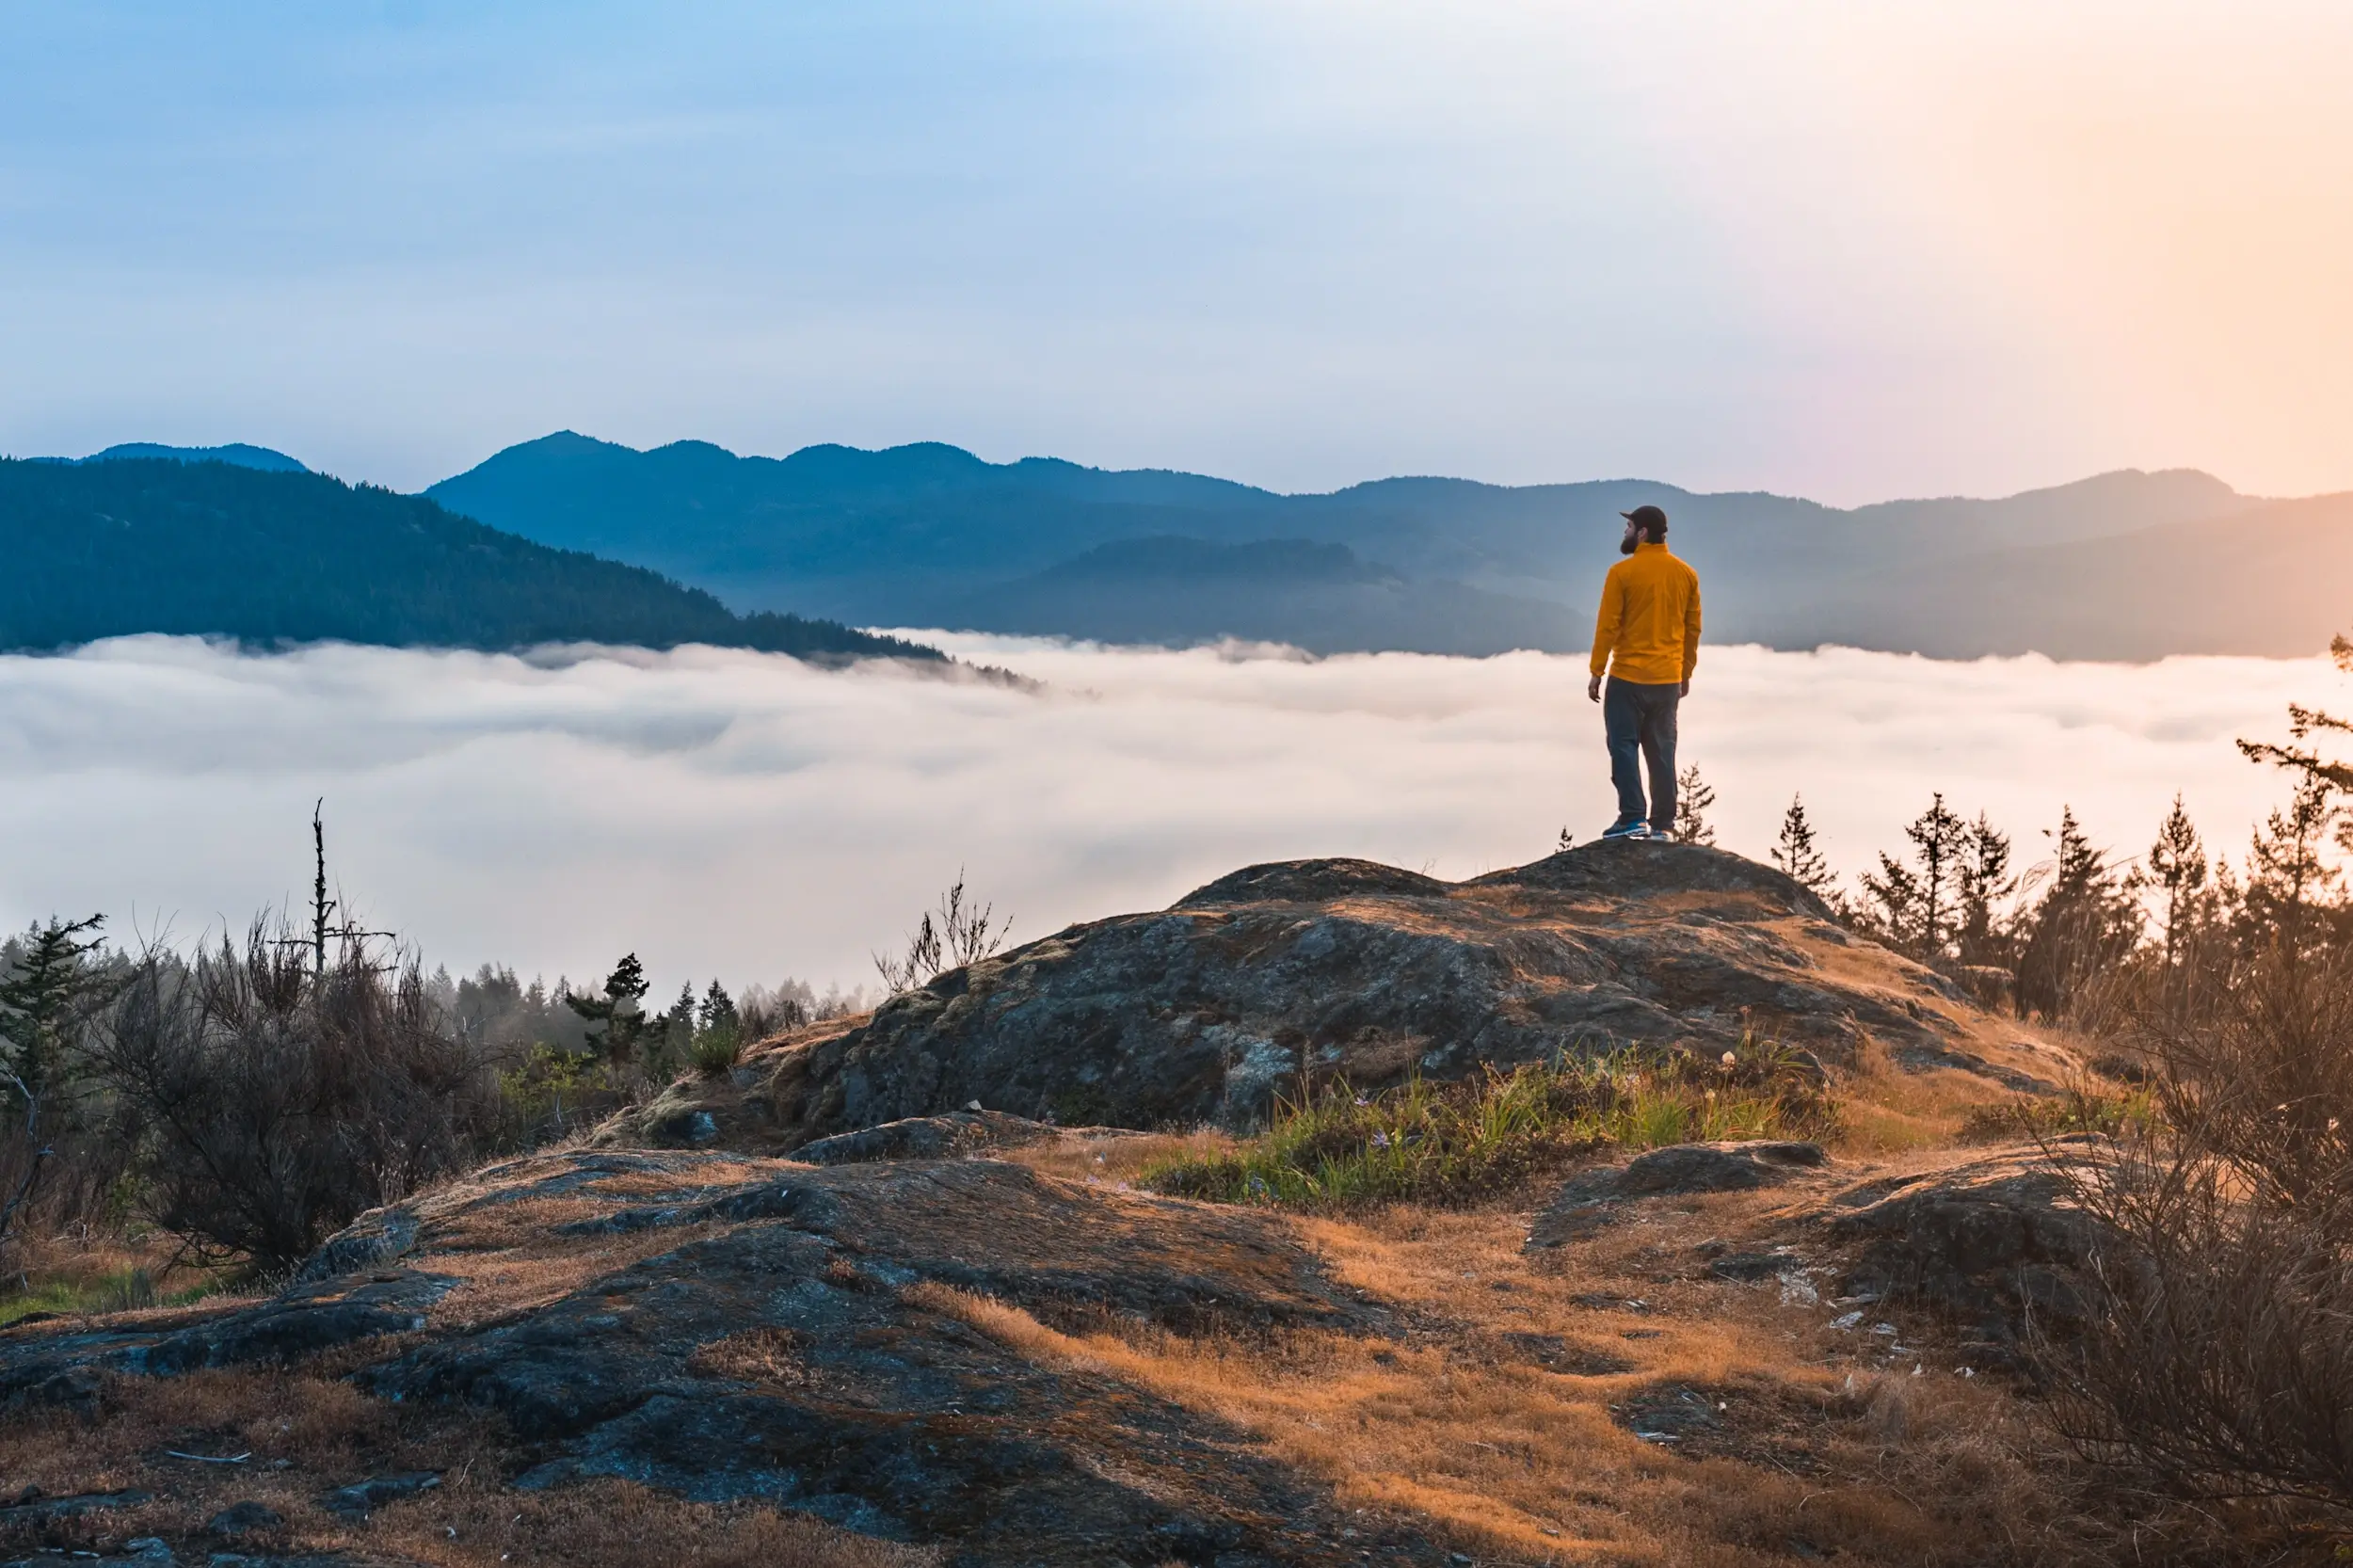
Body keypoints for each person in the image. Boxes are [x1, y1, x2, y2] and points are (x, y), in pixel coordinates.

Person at [1587, 504, 1701, 840]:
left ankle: (1632, 818)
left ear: (1643, 533)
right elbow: (1692, 629)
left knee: (1623, 746)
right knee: (1663, 751)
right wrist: (1685, 673)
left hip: (1627, 678)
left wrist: (1597, 670)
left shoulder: (1621, 573)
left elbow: (1608, 625)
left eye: (1629, 527)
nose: (1624, 532)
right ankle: (1663, 825)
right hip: (1667, 680)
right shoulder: (1686, 574)